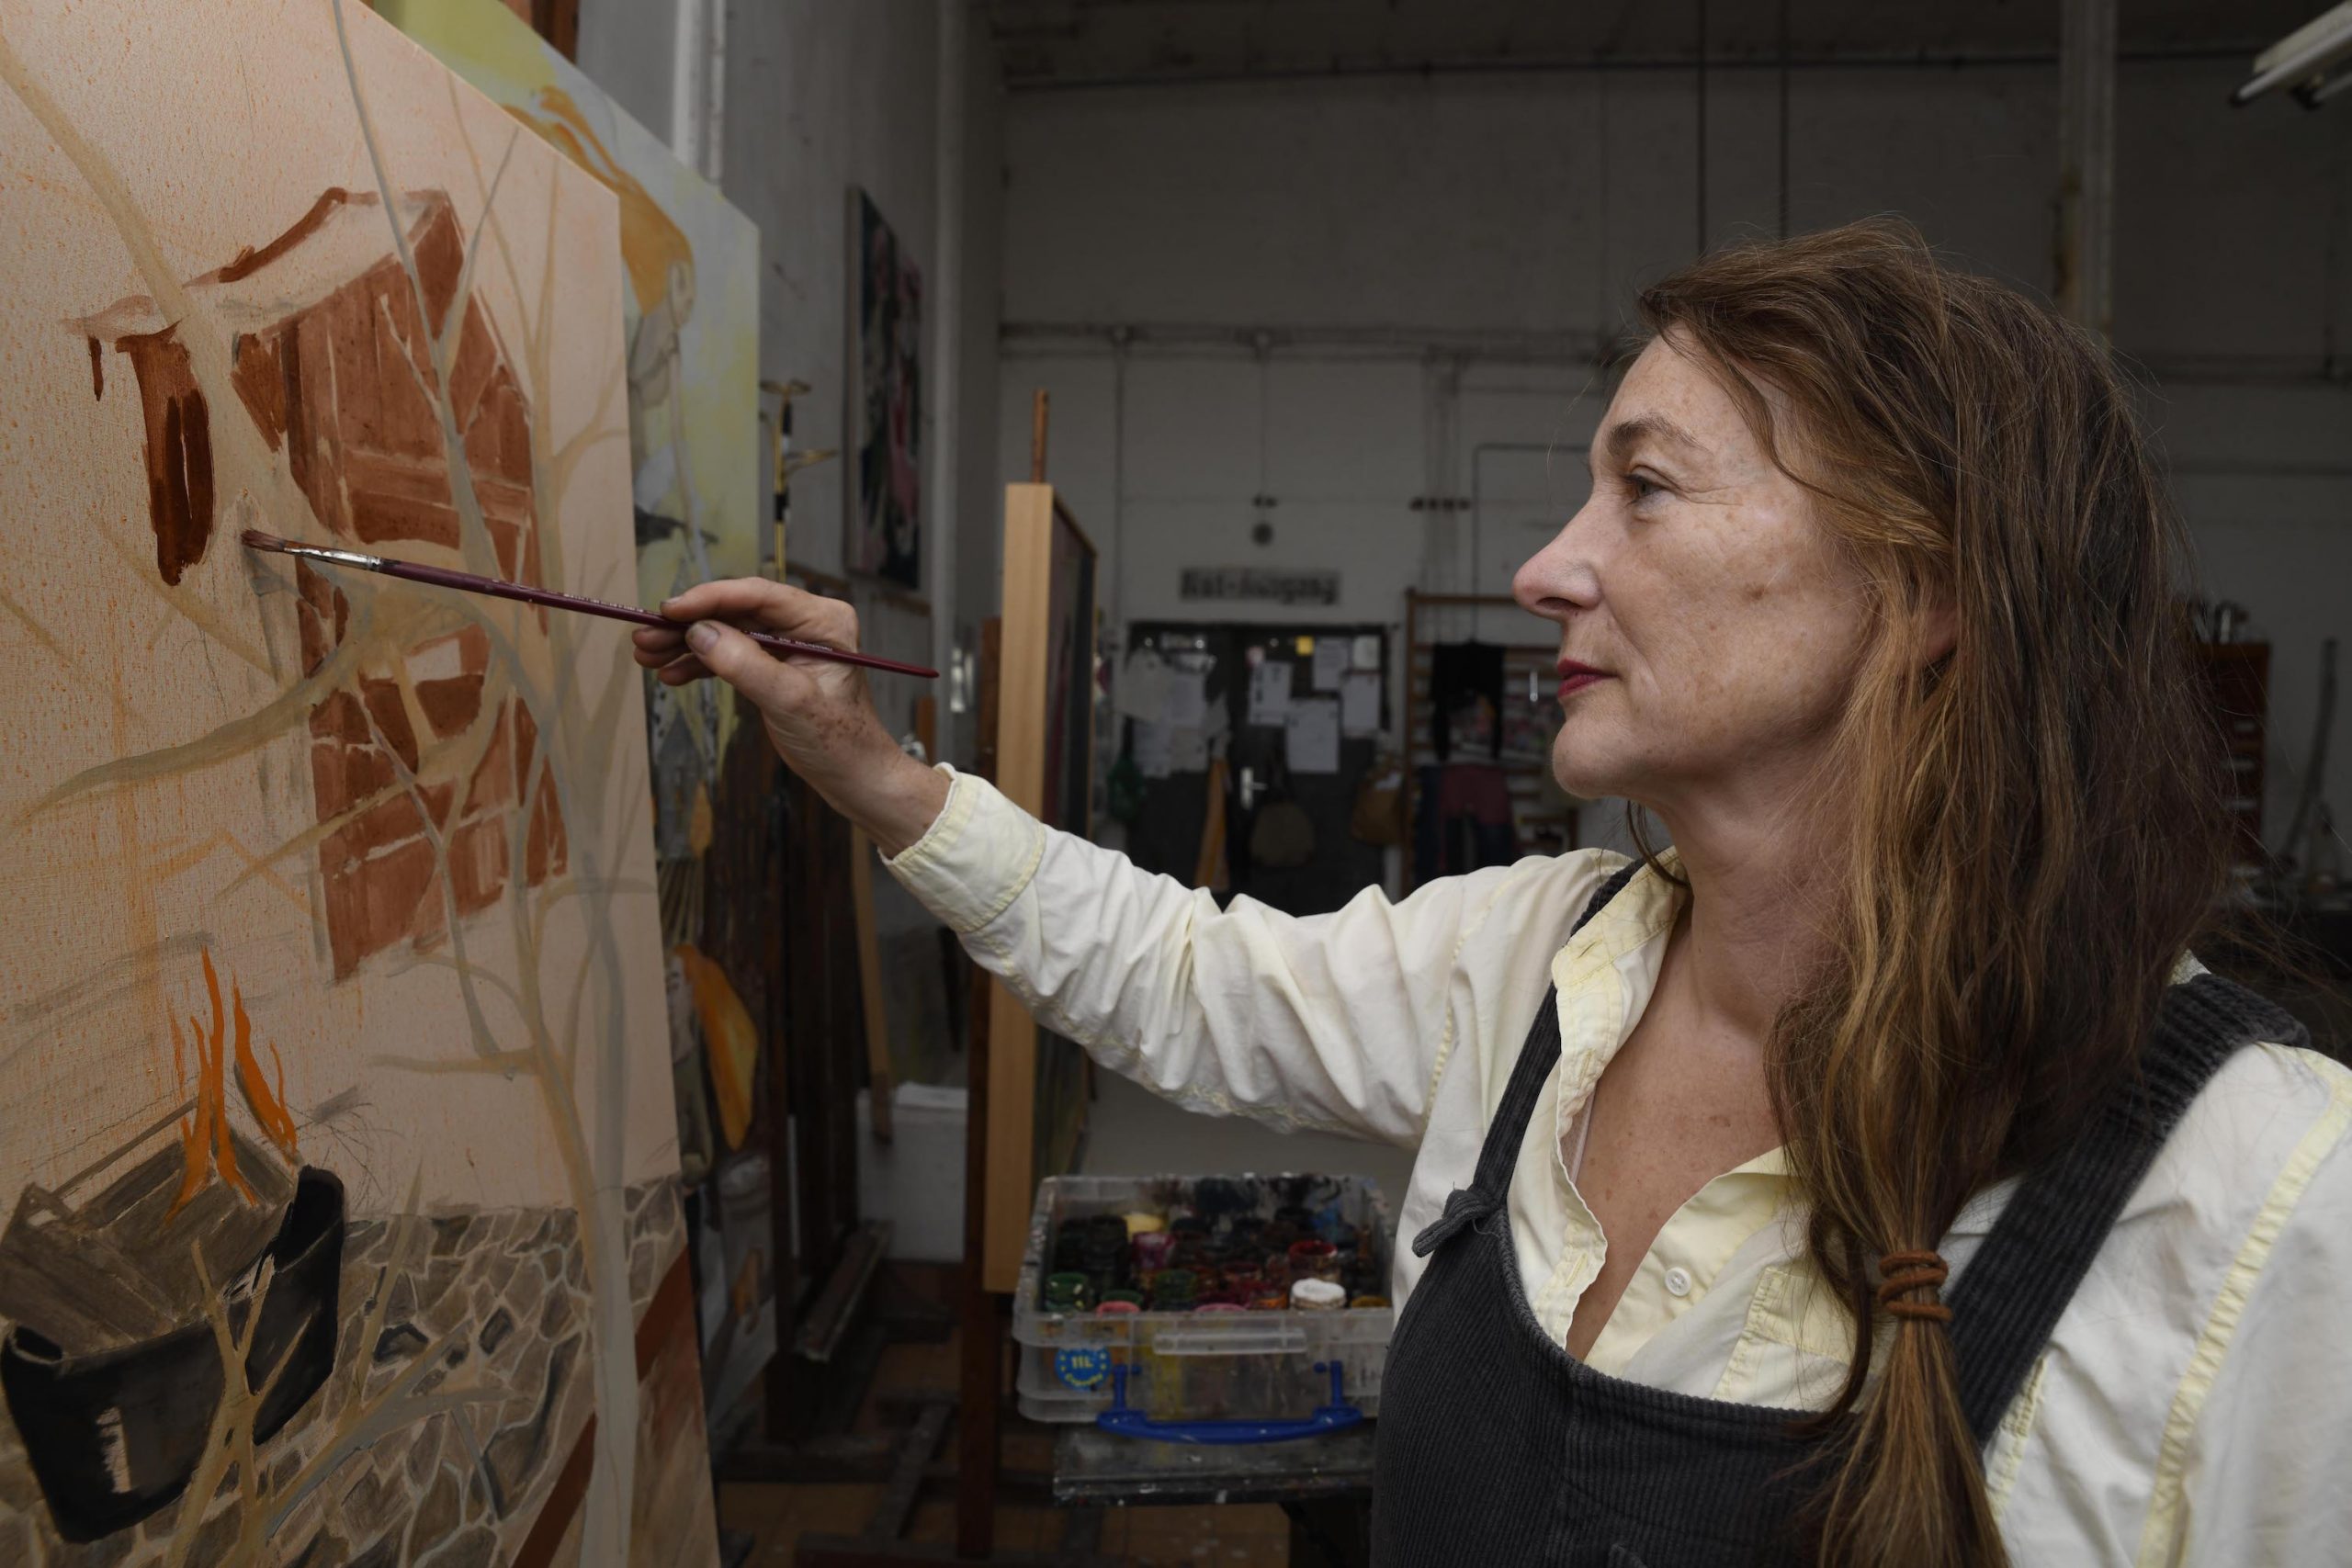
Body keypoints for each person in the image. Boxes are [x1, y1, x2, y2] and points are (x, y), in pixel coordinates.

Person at [632, 222, 2351, 1567]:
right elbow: (1183, 976)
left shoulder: (2261, 1204)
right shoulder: (1543, 957)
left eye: (1648, 488)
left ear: (1926, 587)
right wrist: (871, 766)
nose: (1546, 568)